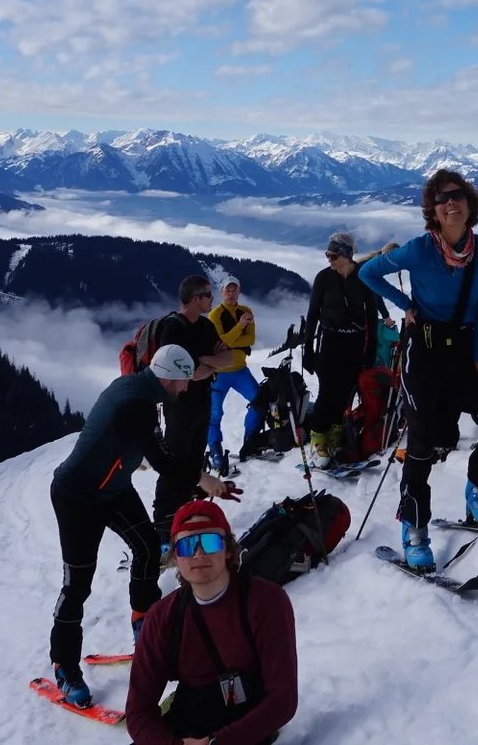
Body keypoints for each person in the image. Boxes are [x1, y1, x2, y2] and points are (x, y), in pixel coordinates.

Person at [48, 345, 240, 711]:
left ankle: (145, 626)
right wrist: (202, 478)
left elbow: (150, 448)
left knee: (149, 549)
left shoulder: (145, 391)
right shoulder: (135, 401)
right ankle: (64, 665)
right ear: (167, 377)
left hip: (114, 491)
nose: (186, 389)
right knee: (78, 583)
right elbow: (161, 459)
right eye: (183, 382)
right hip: (77, 497)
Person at [358, 170, 478, 569]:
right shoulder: (417, 250)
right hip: (423, 354)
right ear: (433, 210)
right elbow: (367, 272)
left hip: (463, 353)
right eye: (443, 198)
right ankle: (415, 528)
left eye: (459, 195)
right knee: (422, 442)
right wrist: (405, 305)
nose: (452, 202)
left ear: (470, 204)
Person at [125, 498, 298, 745]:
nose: (198, 553)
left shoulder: (266, 601)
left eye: (209, 542)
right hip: (188, 721)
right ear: (175, 557)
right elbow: (139, 711)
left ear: (227, 549)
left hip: (249, 727)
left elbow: (282, 700)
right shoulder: (163, 616)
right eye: (187, 546)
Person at [150, 276, 241, 537]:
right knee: (175, 460)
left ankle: (184, 513)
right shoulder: (173, 328)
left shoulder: (204, 325)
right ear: (194, 298)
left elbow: (227, 359)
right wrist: (207, 363)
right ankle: (163, 523)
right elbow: (192, 372)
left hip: (202, 399)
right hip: (179, 403)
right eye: (208, 294)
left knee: (192, 457)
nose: (212, 299)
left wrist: (203, 360)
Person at [301, 232, 391, 464]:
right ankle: (319, 439)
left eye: (333, 254)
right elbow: (312, 315)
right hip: (330, 342)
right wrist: (308, 350)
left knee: (345, 392)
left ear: (347, 255)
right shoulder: (323, 278)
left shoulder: (363, 277)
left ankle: (336, 434)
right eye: (327, 253)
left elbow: (371, 314)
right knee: (328, 392)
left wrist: (370, 349)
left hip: (354, 343)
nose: (329, 258)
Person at [205, 279, 261, 473]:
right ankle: (215, 450)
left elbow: (251, 339)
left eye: (234, 290)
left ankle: (250, 442)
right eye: (227, 290)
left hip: (240, 369)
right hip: (219, 372)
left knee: (259, 402)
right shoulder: (216, 314)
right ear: (221, 292)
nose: (231, 294)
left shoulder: (246, 311)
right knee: (214, 415)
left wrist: (230, 340)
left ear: (239, 291)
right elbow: (219, 340)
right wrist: (239, 327)